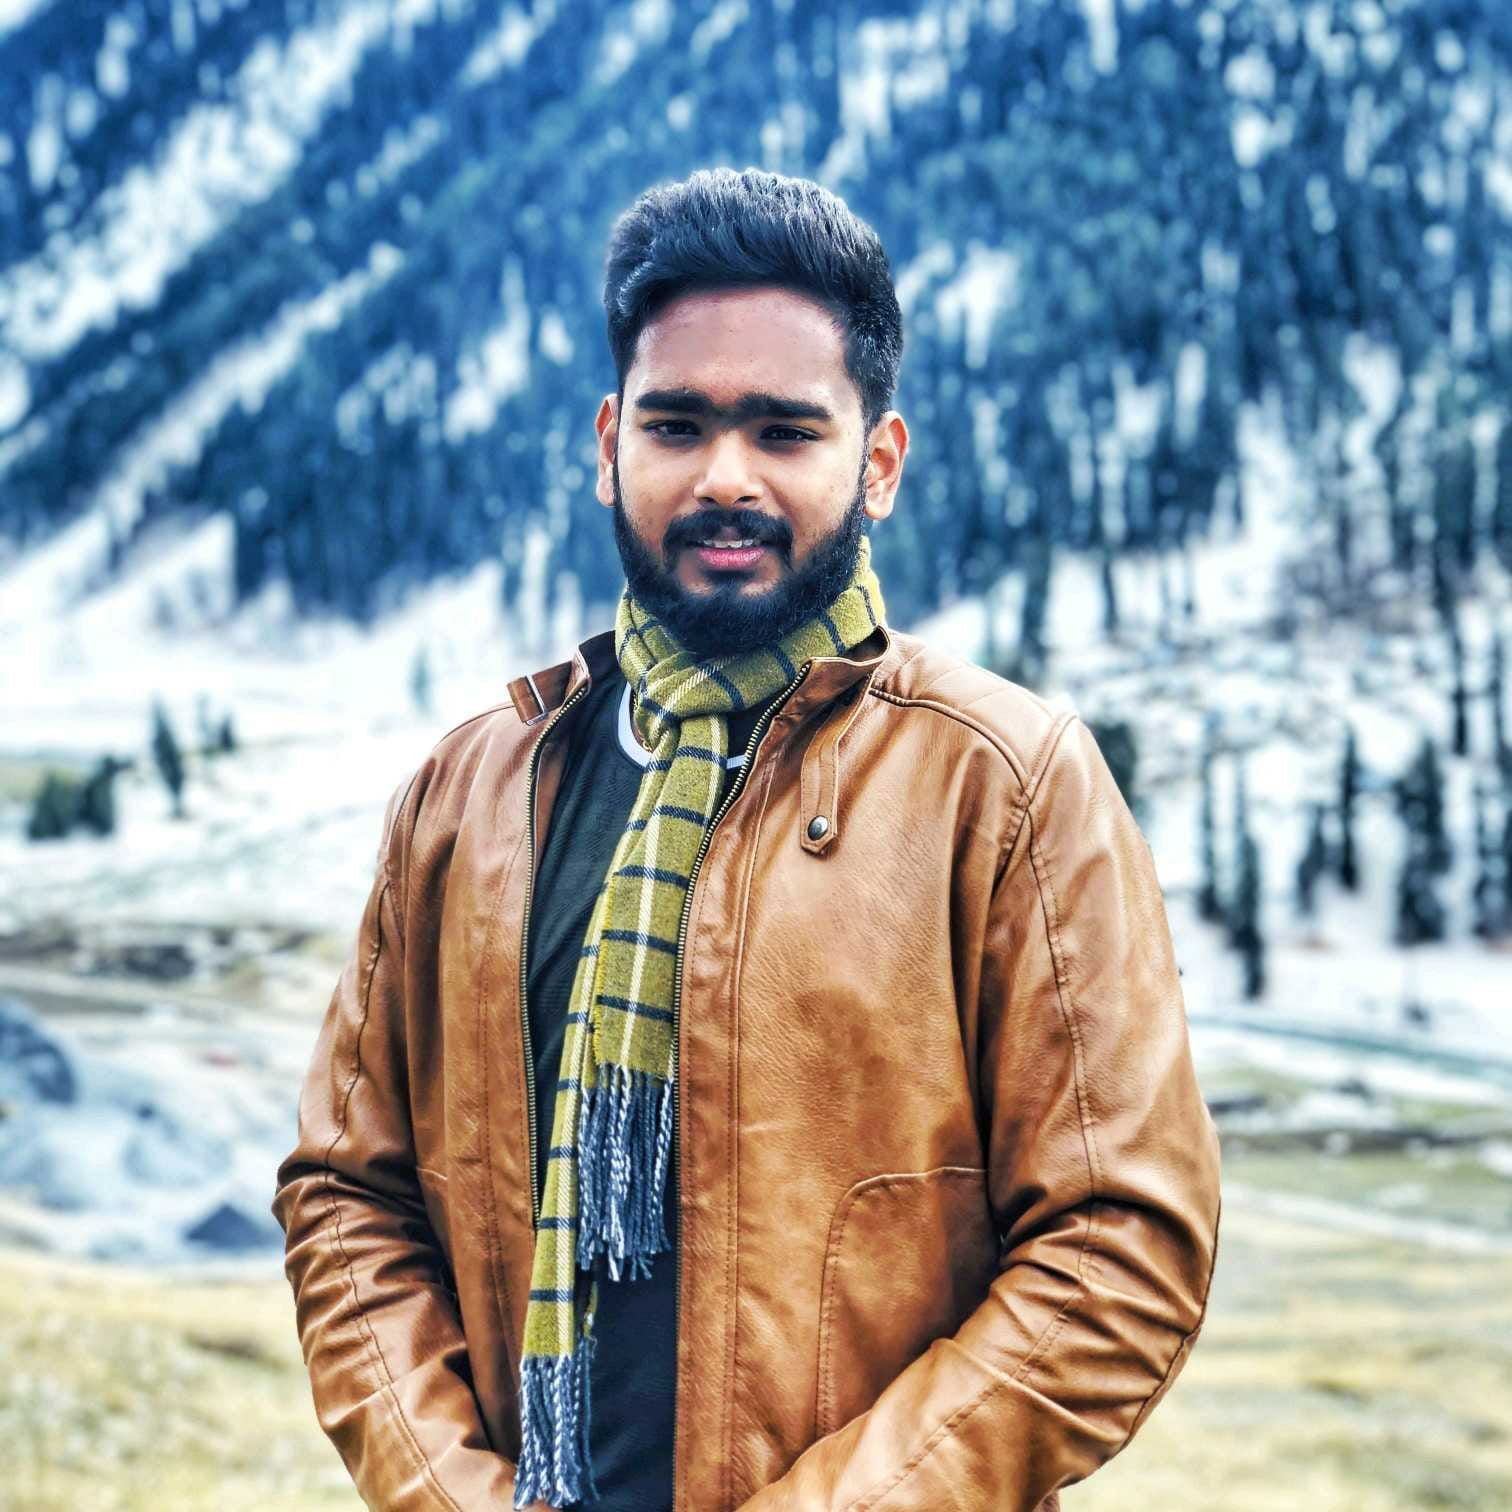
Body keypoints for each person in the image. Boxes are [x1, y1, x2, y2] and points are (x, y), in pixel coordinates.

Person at [273, 166, 1222, 1512]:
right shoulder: (467, 793)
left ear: (877, 463)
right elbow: (347, 1198)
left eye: (785, 431)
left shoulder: (1002, 785)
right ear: (610, 441)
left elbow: (1121, 1250)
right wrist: (451, 1493)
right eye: (678, 425)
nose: (726, 477)